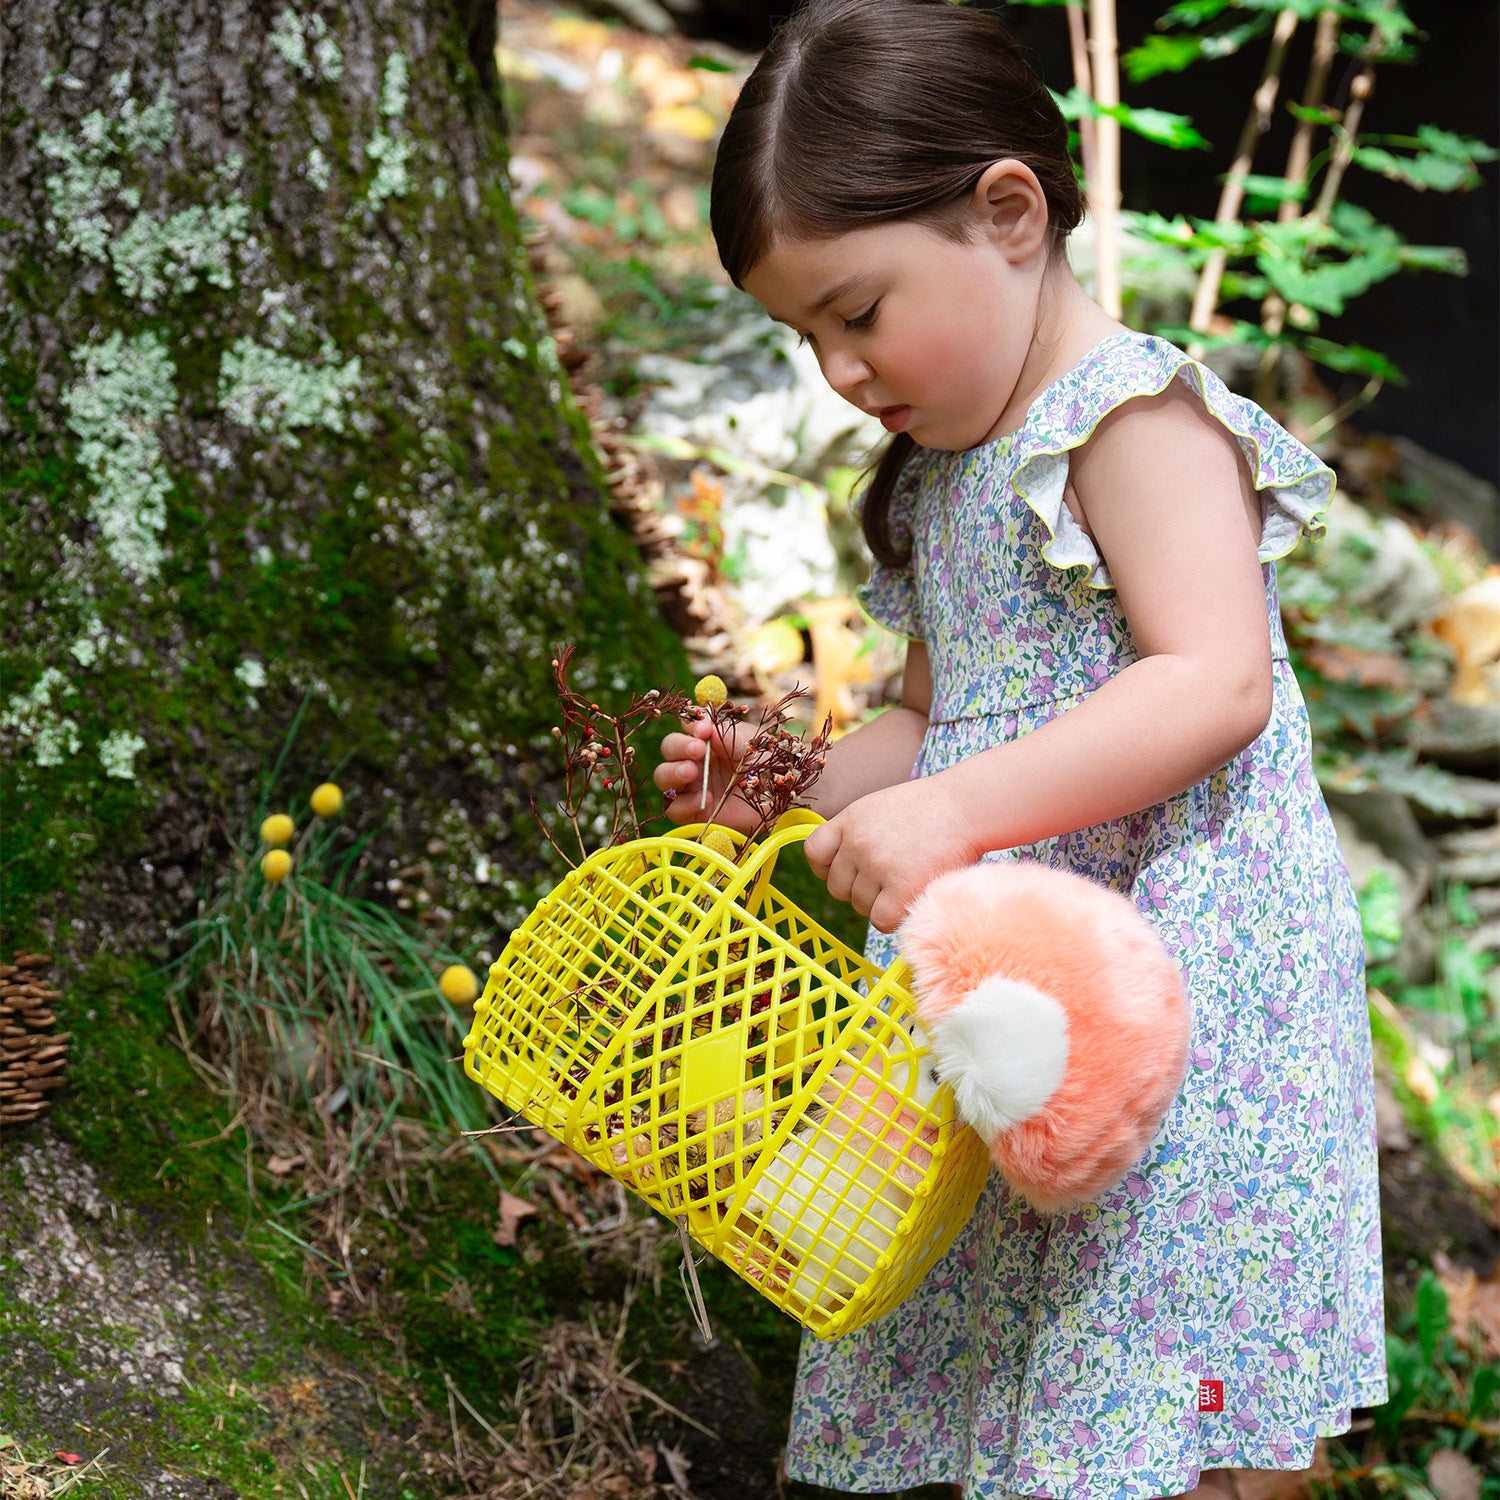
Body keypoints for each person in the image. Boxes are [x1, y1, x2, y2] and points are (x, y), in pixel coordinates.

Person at [652, 1, 1388, 1495]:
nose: (840, 374)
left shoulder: (1132, 420)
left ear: (1007, 211)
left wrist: (958, 812)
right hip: (1012, 1005)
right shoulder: (942, 479)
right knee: (1013, 1355)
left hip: (1176, 989)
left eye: (857, 313)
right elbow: (936, 719)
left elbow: (1213, 680)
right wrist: (792, 785)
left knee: (1146, 1370)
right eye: (807, 339)